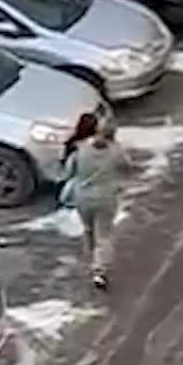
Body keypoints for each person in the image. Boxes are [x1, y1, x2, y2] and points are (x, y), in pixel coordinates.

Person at [62, 116, 129, 290]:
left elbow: (69, 170)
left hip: (83, 198)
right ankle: (99, 271)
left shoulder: (81, 149)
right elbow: (127, 166)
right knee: (104, 235)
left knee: (88, 229)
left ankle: (90, 258)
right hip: (106, 198)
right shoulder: (116, 151)